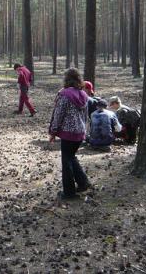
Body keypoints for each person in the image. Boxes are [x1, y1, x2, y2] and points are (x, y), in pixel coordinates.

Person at [49, 68, 91, 200]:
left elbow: (58, 115)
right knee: (71, 157)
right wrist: (84, 131)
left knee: (66, 161)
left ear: (66, 79)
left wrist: (53, 131)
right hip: (80, 133)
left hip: (68, 133)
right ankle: (83, 183)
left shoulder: (64, 95)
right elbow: (85, 116)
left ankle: (69, 193)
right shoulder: (84, 95)